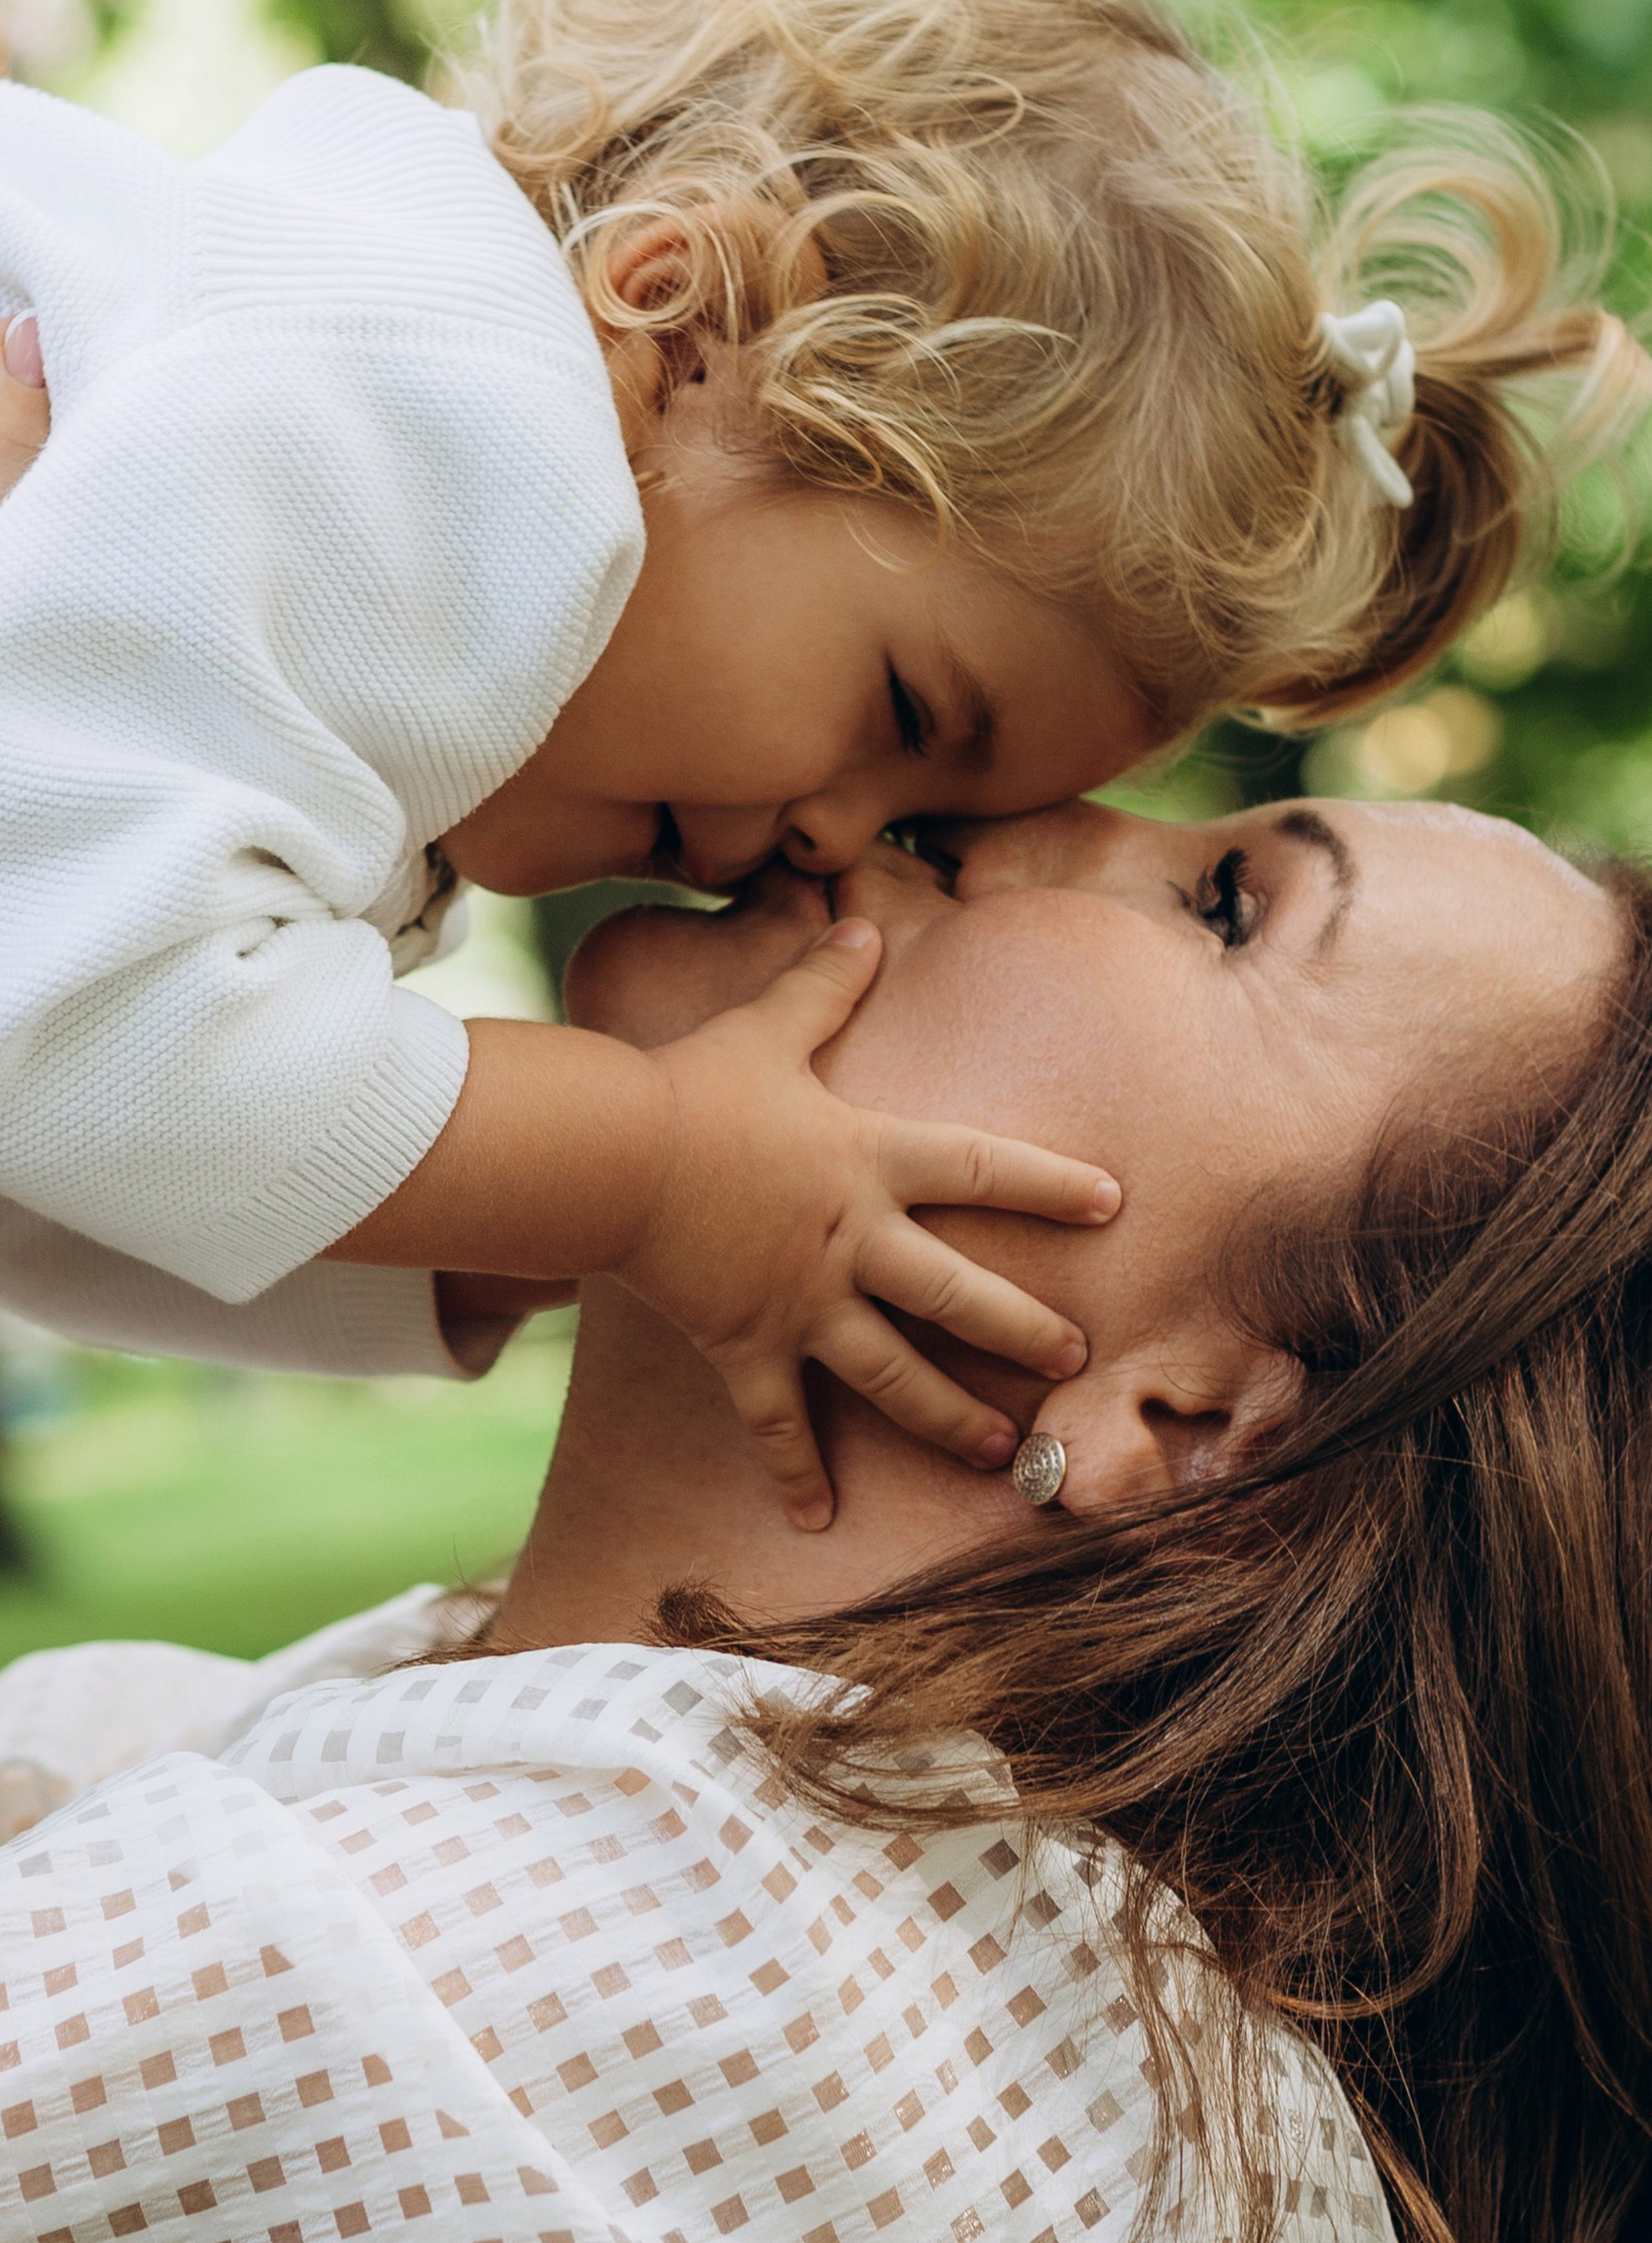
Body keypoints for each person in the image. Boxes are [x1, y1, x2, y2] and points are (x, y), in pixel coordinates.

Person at [1, 0, 1646, 1528]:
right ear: (691, 325)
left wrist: (486, 1253)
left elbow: (43, 1108)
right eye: (910, 716)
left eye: (927, 805)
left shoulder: (325, 504)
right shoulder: (437, 410)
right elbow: (77, 1014)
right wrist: (642, 1173)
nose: (847, 842)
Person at [2, 793, 1649, 2243]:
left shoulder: (710, 1990)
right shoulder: (785, 1904)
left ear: (1202, 1431)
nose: (1008, 804)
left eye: (1222, 903)